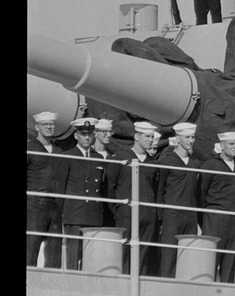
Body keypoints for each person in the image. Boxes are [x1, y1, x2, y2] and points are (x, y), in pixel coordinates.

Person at [105, 120, 160, 276]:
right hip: (126, 212)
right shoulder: (122, 157)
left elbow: (155, 189)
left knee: (143, 252)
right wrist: (117, 209)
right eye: (147, 136)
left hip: (147, 214)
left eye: (151, 137)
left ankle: (138, 281)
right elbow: (110, 185)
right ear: (137, 136)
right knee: (123, 250)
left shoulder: (152, 162)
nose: (150, 140)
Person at [199, 130, 235, 283]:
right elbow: (201, 193)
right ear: (222, 146)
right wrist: (206, 219)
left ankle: (225, 294)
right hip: (215, 219)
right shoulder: (210, 165)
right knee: (210, 261)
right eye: (231, 144)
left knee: (230, 261)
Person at [55, 118, 105, 270]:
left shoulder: (99, 158)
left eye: (90, 134)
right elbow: (60, 188)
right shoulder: (69, 156)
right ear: (76, 136)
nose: (87, 137)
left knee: (90, 256)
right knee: (73, 255)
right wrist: (61, 214)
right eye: (83, 134)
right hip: (74, 213)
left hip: (93, 214)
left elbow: (102, 188)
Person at [155, 122, 201, 279]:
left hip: (190, 215)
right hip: (172, 215)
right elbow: (159, 190)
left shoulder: (195, 163)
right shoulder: (167, 161)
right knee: (169, 255)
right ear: (179, 138)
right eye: (187, 137)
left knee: (187, 255)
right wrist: (161, 217)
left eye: (193, 137)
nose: (190, 140)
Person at [27, 111, 64, 268]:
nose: (49, 127)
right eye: (45, 125)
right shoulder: (30, 148)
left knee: (54, 247)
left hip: (56, 204)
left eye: (51, 124)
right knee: (31, 245)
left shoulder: (58, 150)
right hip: (35, 202)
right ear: (37, 127)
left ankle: (52, 282)